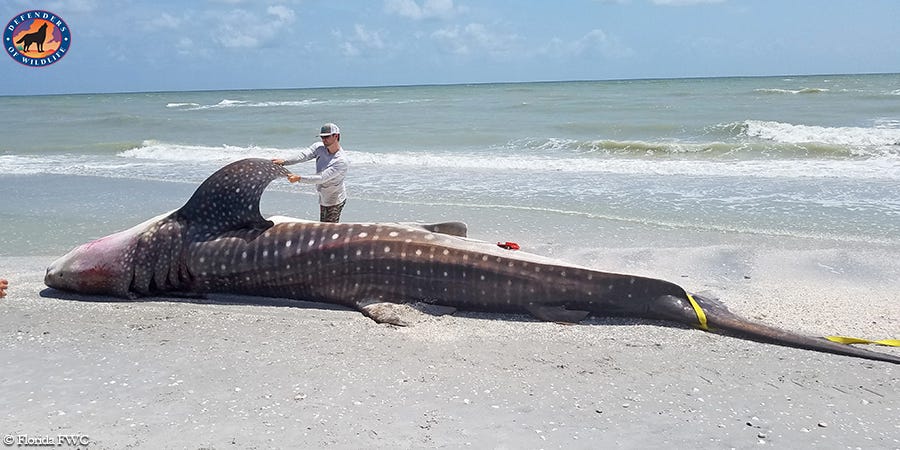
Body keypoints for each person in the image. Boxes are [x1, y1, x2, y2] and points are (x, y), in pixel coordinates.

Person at [273, 123, 349, 223]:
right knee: (323, 225)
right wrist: (284, 161)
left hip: (334, 199)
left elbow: (322, 178)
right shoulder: (319, 147)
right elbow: (303, 156)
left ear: (336, 136)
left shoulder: (341, 161)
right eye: (322, 137)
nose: (324, 139)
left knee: (328, 229)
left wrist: (299, 178)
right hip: (323, 196)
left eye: (326, 137)